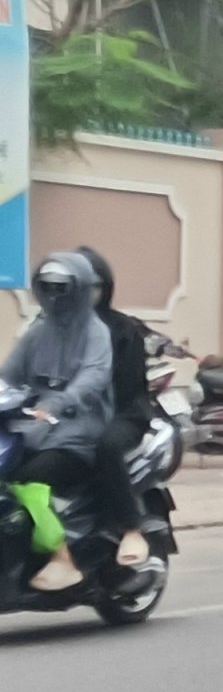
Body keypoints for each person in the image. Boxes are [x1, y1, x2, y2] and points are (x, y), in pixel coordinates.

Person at [0, 253, 115, 591]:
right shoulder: (38, 331)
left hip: (78, 432)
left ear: (78, 289)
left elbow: (92, 378)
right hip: (32, 428)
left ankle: (61, 555)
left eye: (62, 288)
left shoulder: (97, 333)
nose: (54, 295)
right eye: (48, 287)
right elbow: (9, 373)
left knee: (27, 479)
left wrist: (59, 402)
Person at [75, 248, 151, 567]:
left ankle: (130, 527)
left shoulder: (122, 329)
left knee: (106, 446)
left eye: (91, 286)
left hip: (123, 413)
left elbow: (127, 383)